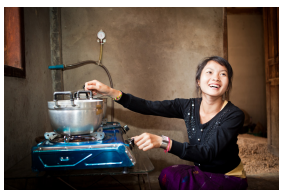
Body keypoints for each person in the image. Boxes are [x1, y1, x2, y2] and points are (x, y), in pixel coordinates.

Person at [85, 56, 248, 190]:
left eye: (223, 74)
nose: (215, 78)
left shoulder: (234, 115)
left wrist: (163, 142)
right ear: (198, 81)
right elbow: (148, 106)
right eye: (210, 72)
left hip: (228, 177)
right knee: (167, 175)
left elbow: (207, 152)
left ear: (227, 86)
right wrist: (110, 92)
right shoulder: (188, 106)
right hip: (202, 171)